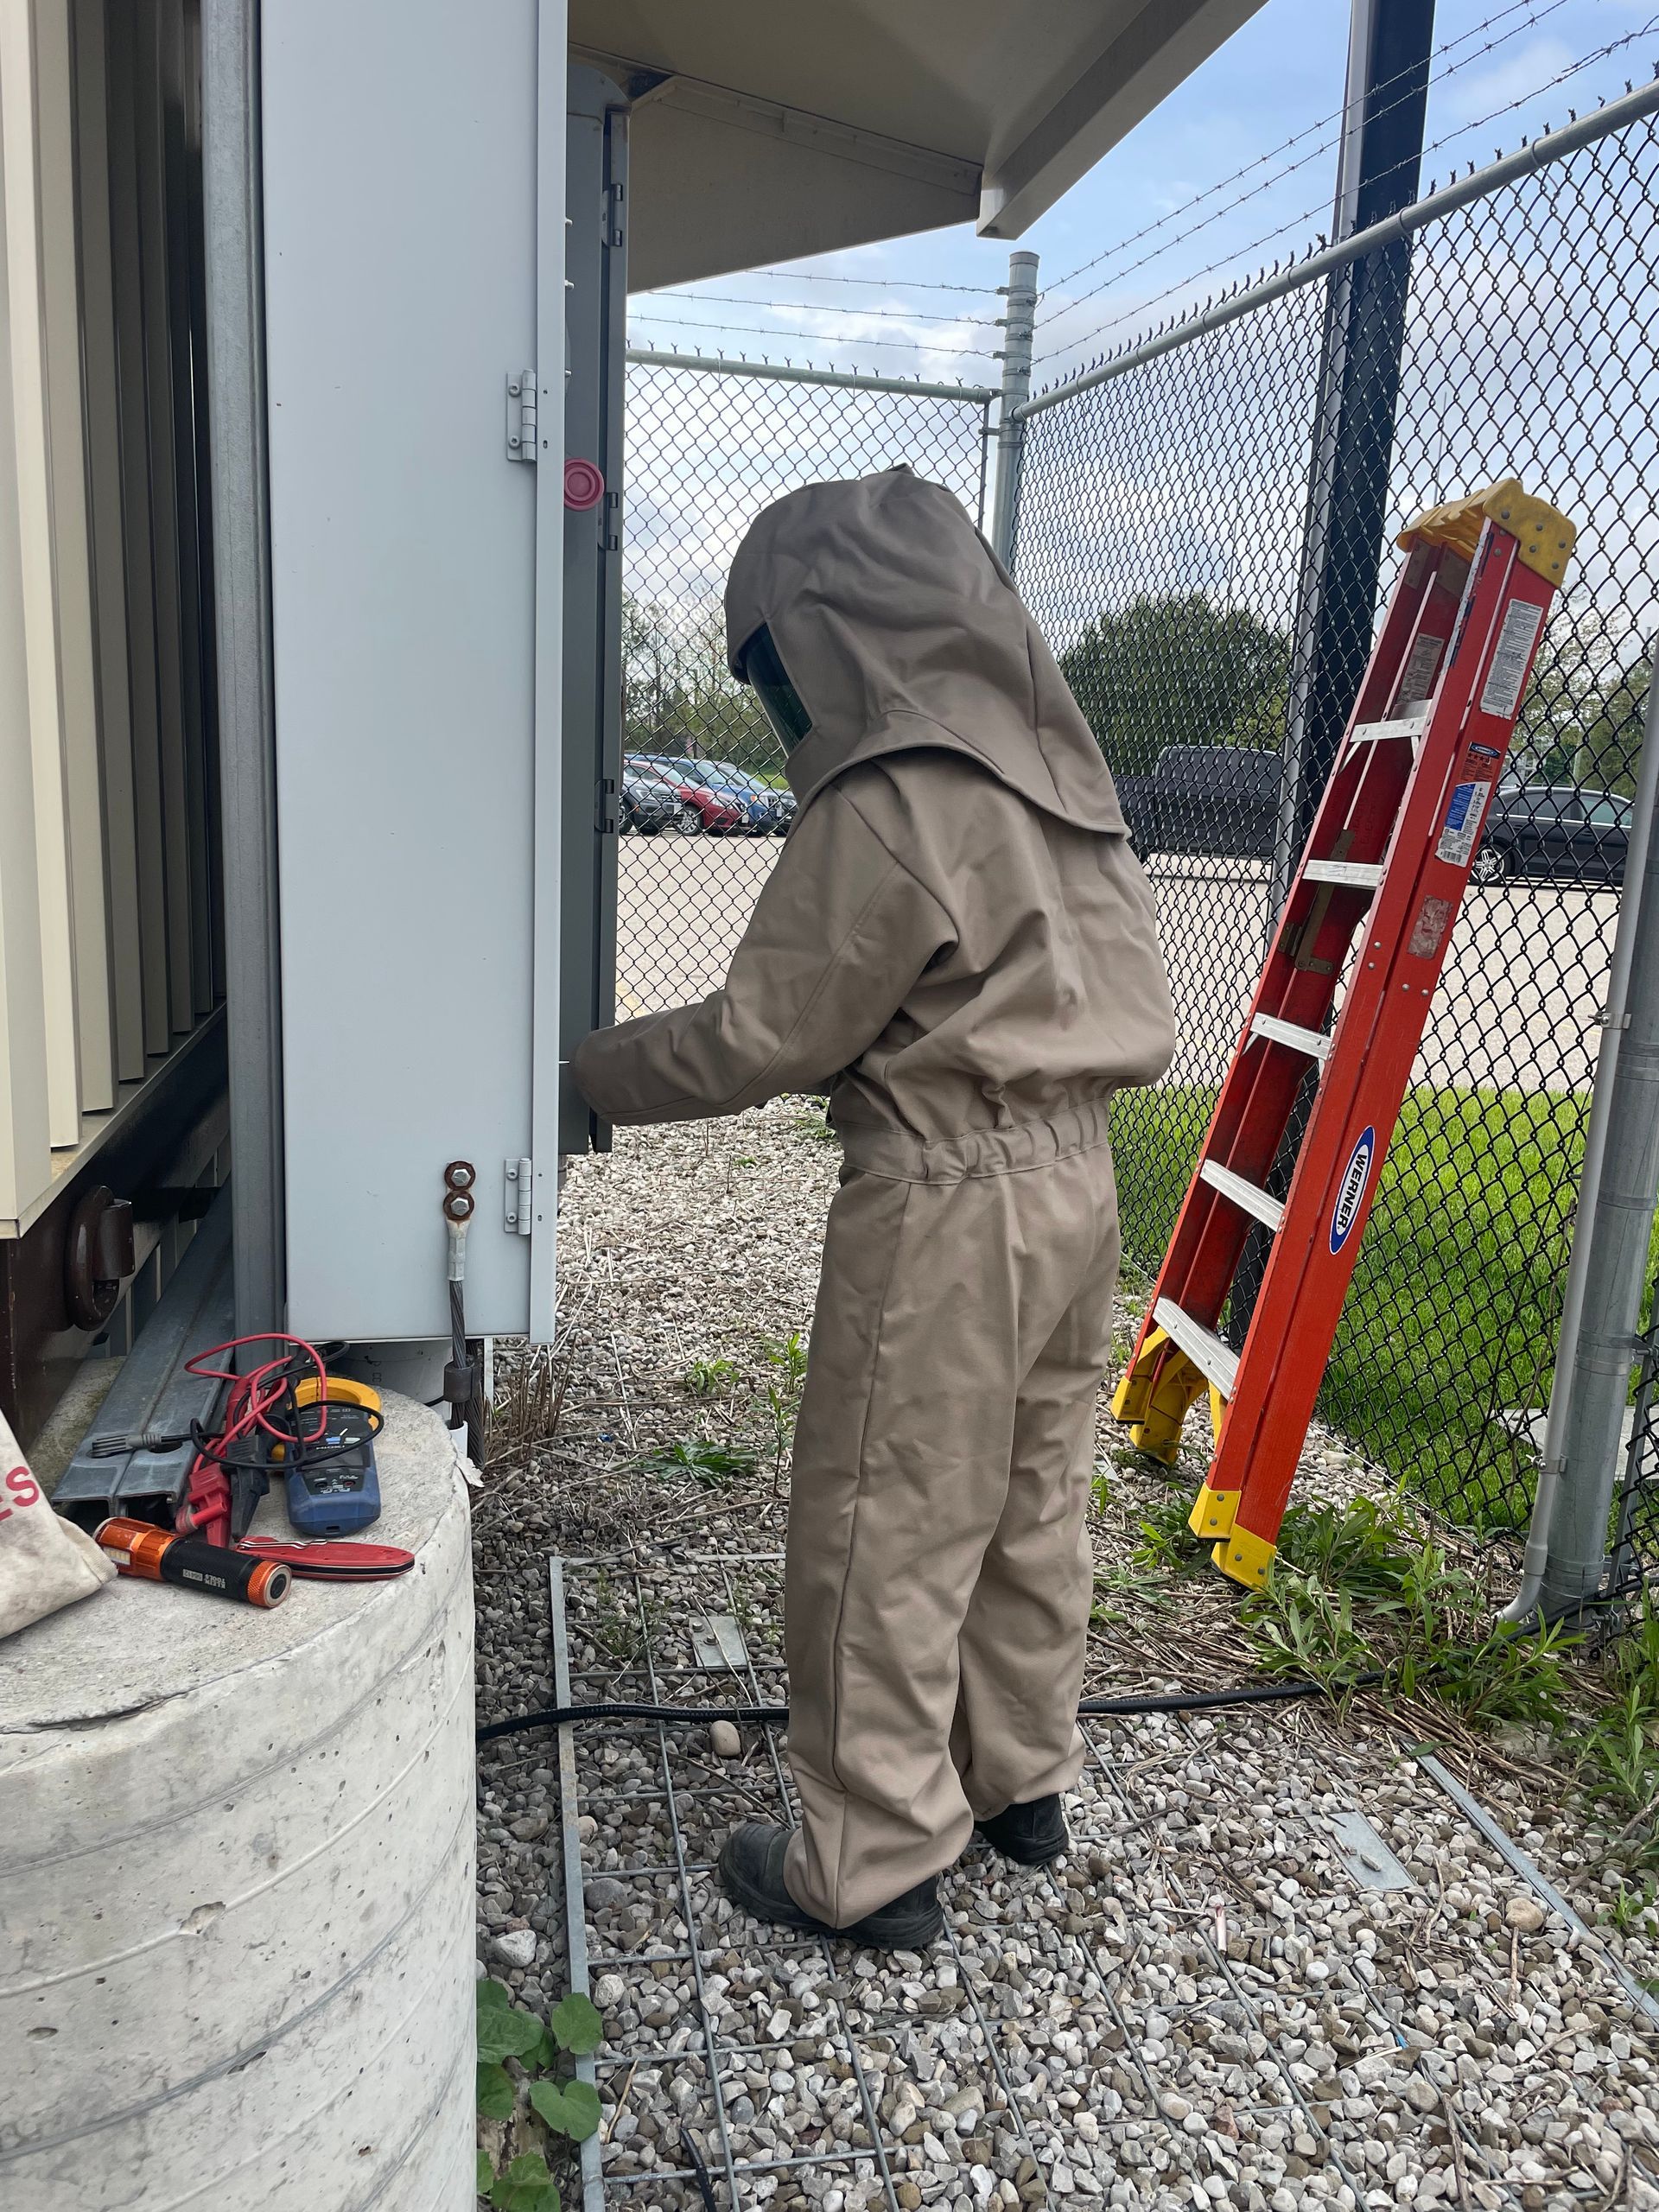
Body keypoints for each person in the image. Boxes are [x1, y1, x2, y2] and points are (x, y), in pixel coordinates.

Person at [572, 467, 1176, 1947]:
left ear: (832, 633)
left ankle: (874, 1855)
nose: (786, 699)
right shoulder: (1060, 775)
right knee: (1030, 1493)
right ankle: (1017, 1775)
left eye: (779, 662)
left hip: (951, 1198)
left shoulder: (894, 792)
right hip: (1082, 1176)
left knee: (884, 1515)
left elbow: (768, 1032)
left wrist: (581, 1078)